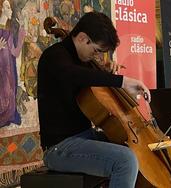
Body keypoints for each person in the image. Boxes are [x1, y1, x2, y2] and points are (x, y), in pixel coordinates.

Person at [37, 11, 151, 188]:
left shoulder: (84, 62)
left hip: (85, 137)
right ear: (82, 38)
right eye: (96, 50)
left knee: (135, 151)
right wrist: (121, 81)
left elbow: (88, 77)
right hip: (60, 147)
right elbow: (74, 75)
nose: (97, 56)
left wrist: (106, 72)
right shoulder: (54, 57)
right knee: (125, 161)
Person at [0, 0, 25, 127]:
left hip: (8, 70)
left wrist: (21, 32)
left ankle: (8, 115)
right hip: (1, 70)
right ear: (1, 9)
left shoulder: (8, 32)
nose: (10, 11)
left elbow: (15, 52)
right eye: (7, 7)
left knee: (9, 94)